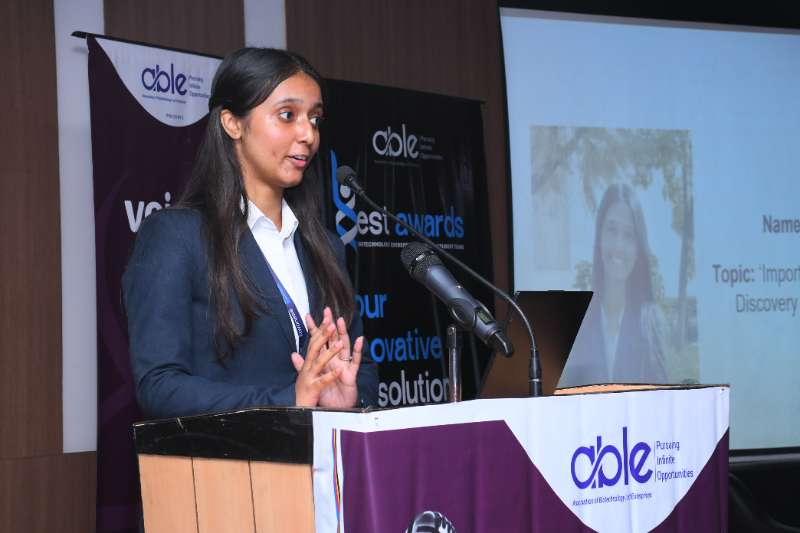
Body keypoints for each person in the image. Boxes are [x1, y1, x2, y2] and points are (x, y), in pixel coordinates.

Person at [123, 47, 378, 419]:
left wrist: (346, 397)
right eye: (287, 115)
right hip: (229, 457)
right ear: (232, 124)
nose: (308, 134)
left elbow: (361, 367)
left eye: (315, 119)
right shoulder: (176, 236)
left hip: (323, 455)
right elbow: (159, 386)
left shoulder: (326, 246)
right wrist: (288, 399)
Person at [559, 183, 667, 387]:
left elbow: (662, 399)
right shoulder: (579, 322)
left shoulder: (651, 322)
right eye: (611, 230)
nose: (619, 245)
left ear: (638, 249)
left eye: (628, 235)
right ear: (599, 238)